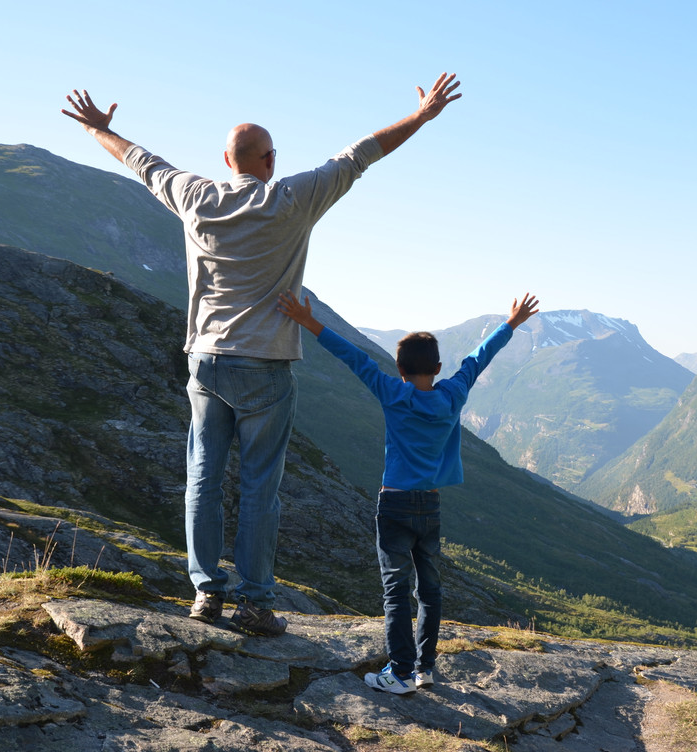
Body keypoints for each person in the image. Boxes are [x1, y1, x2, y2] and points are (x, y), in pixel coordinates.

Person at [61, 74, 462, 637]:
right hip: (266, 364)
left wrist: (99, 129)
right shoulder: (291, 199)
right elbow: (361, 154)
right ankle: (254, 601)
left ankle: (205, 592)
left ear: (226, 159)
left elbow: (139, 159)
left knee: (202, 477)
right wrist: (420, 118)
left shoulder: (194, 195)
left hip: (206, 360)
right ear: (268, 160)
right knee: (259, 486)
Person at [277, 289, 539, 693]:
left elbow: (354, 359)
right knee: (429, 591)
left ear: (399, 368)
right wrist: (511, 323)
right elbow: (477, 359)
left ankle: (398, 674)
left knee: (396, 592)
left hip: (394, 502)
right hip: (430, 506)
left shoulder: (392, 393)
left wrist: (306, 320)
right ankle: (424, 669)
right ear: (436, 367)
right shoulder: (453, 394)